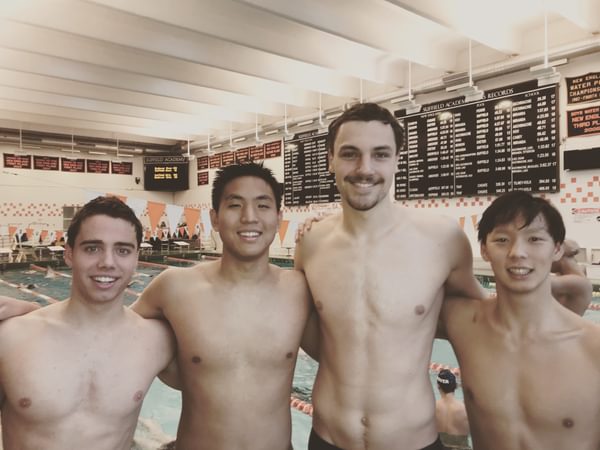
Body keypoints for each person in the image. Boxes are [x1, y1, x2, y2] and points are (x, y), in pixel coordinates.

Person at [294, 102, 487, 450]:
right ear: (330, 160)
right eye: (350, 154)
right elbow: (296, 323)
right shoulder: (311, 242)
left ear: (398, 159)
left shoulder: (442, 239)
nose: (364, 168)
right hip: (327, 439)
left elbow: (488, 324)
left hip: (413, 441)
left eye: (380, 154)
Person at [131, 163, 313, 450]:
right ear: (215, 218)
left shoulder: (300, 289)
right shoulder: (175, 287)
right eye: (235, 205)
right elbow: (108, 333)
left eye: (262, 205)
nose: (249, 217)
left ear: (279, 217)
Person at [0, 196, 174, 450]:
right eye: (92, 248)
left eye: (123, 250)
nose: (107, 262)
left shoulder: (157, 340)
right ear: (69, 254)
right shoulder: (12, 336)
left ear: (137, 257)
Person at [440, 191, 600, 450]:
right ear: (484, 249)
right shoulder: (462, 323)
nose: (517, 252)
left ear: (557, 248)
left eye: (535, 239)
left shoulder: (593, 348)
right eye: (502, 240)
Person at [550, 238, 592, 315]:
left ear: (559, 255)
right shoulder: (575, 275)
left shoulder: (578, 282)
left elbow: (537, 282)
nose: (546, 261)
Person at [435, 370, 470, 450]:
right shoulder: (465, 410)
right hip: (461, 447)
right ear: (455, 386)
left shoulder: (432, 407)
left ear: (438, 386)